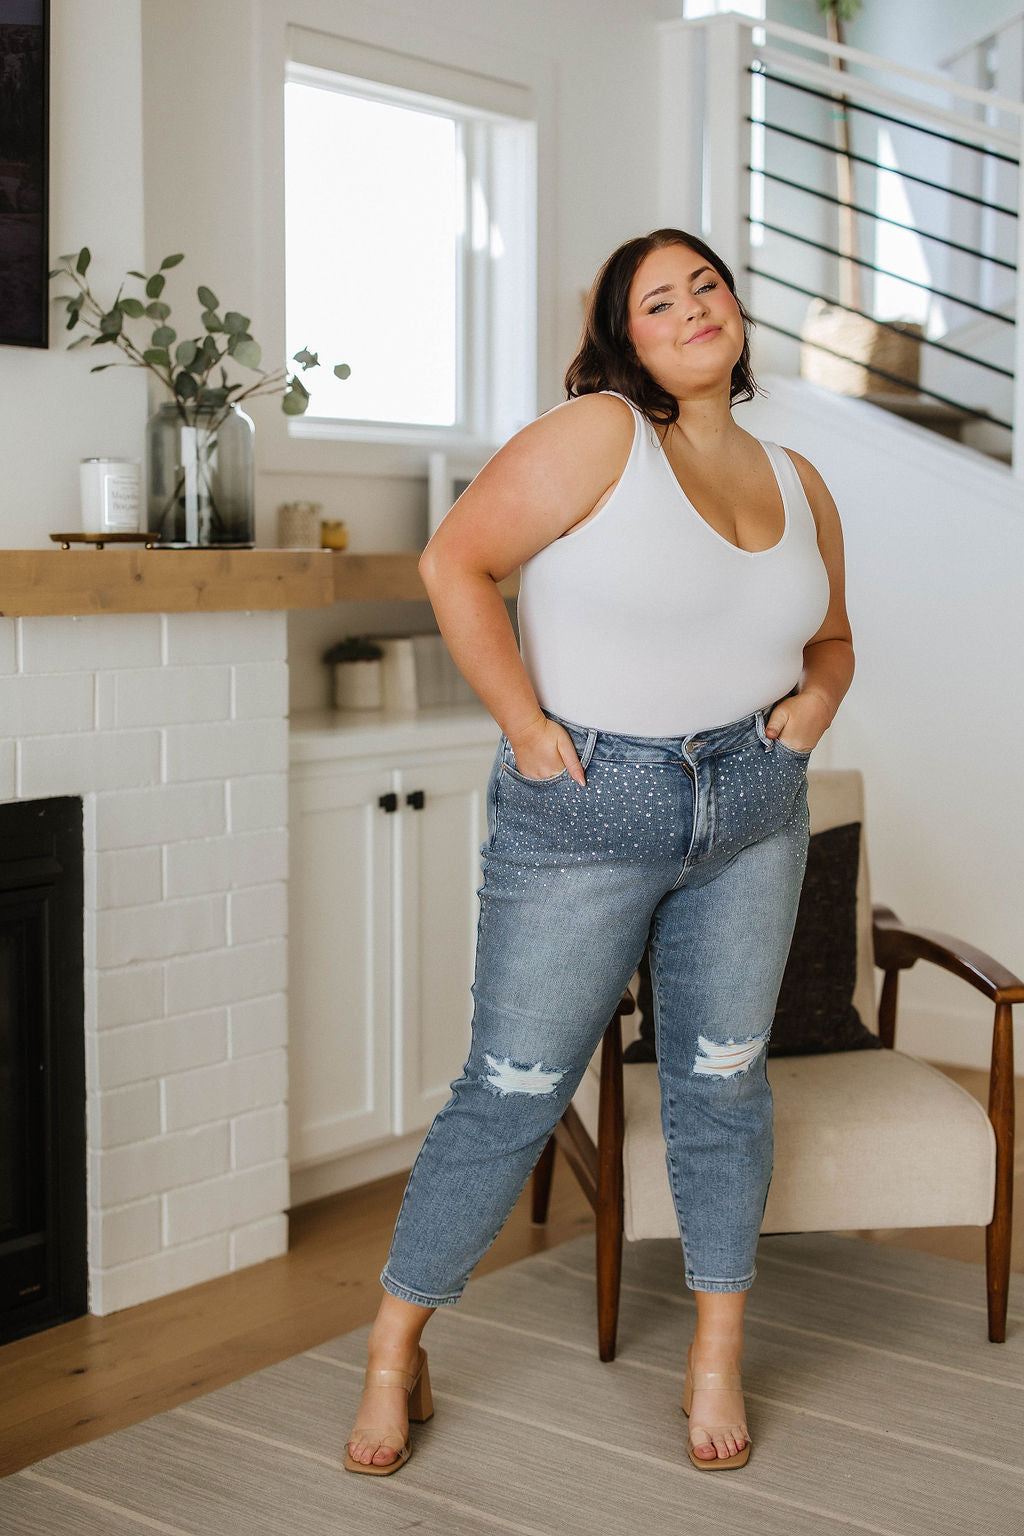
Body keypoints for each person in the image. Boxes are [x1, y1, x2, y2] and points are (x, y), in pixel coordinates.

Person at [344, 227, 854, 1475]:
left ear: (736, 310)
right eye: (657, 301)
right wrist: (525, 729)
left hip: (751, 806)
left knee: (723, 1082)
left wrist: (813, 710)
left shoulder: (798, 479)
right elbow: (454, 562)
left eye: (706, 286)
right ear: (624, 340)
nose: (692, 309)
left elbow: (831, 640)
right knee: (514, 1089)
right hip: (587, 809)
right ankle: (392, 1352)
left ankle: (716, 1352)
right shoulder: (598, 435)